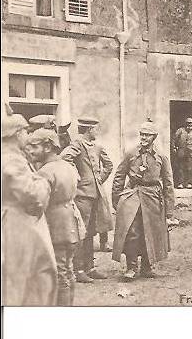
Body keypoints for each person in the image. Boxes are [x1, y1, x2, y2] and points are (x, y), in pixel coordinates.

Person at [1, 109, 57, 306]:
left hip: (17, 223)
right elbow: (33, 196)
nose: (29, 135)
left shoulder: (14, 156)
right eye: (26, 131)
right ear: (17, 134)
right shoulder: (11, 160)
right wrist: (44, 184)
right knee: (26, 278)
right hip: (19, 226)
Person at [27, 129, 86, 306]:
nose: (30, 150)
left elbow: (38, 203)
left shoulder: (45, 172)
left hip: (55, 226)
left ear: (47, 147)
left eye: (34, 146)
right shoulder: (67, 166)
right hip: (72, 222)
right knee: (68, 270)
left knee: (59, 273)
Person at [111, 121, 175, 280]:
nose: (144, 138)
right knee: (132, 231)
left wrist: (170, 210)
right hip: (133, 195)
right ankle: (131, 267)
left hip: (153, 197)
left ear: (154, 137)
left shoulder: (161, 157)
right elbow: (119, 176)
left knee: (151, 233)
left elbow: (168, 183)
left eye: (147, 135)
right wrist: (117, 199)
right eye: (142, 135)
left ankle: (147, 267)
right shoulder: (130, 153)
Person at [61, 117, 114, 283]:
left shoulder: (97, 146)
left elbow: (109, 165)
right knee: (81, 233)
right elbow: (64, 158)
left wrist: (98, 179)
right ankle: (78, 270)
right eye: (95, 128)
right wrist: (76, 178)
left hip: (96, 194)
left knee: (91, 231)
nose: (97, 131)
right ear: (89, 129)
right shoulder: (77, 144)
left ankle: (90, 268)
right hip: (82, 195)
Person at [173, 117, 192, 189]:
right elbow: (174, 139)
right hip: (181, 152)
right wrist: (174, 148)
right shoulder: (180, 130)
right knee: (180, 168)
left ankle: (189, 183)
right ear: (185, 124)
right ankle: (180, 183)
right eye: (188, 124)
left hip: (191, 152)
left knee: (191, 168)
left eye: (191, 124)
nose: (189, 126)